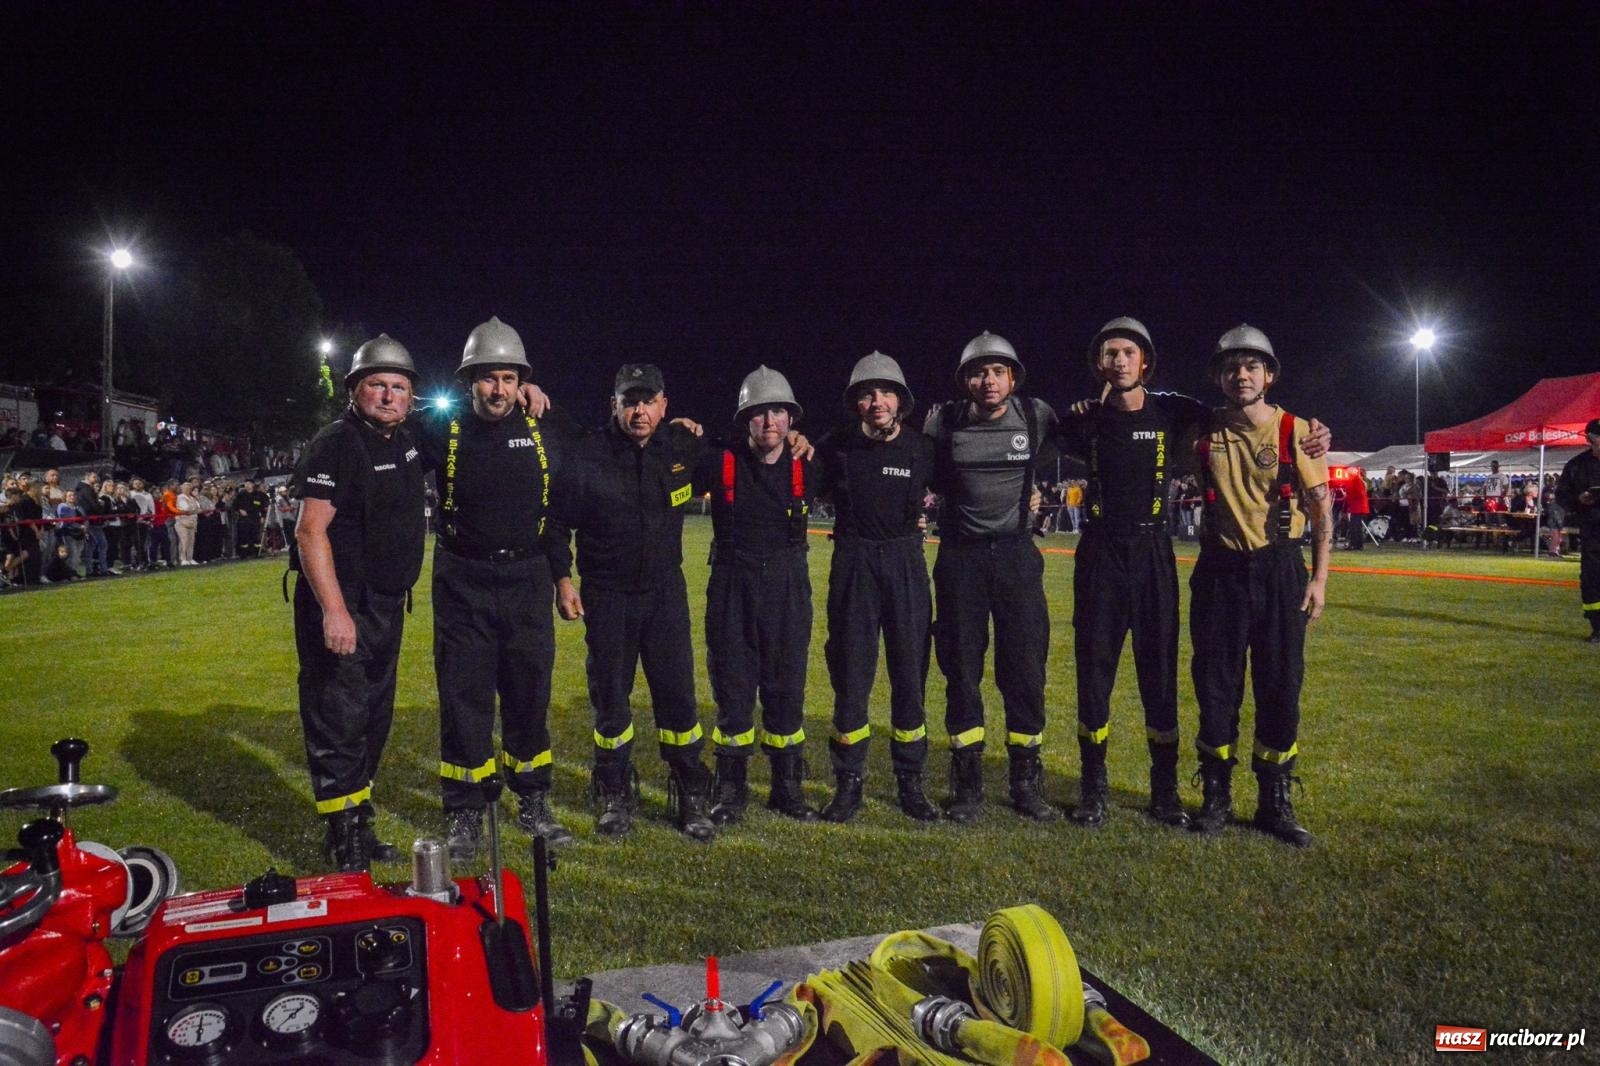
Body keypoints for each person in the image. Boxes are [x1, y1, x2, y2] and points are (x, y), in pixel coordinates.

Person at [1058, 318, 1331, 830]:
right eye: (1110, 353)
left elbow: (1270, 438)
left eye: (1129, 353)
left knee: (1165, 678)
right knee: (1097, 675)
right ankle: (1095, 787)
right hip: (1102, 555)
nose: (1119, 361)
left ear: (1146, 363)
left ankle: (1176, 793)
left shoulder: (1180, 413)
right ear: (1099, 364)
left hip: (1159, 553)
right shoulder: (1082, 420)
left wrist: (1319, 434)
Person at [418, 317, 573, 859]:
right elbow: (381, 429)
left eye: (509, 378)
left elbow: (555, 512)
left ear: (521, 382)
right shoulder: (441, 428)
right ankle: (464, 812)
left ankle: (533, 801)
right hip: (462, 580)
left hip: (528, 579)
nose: (499, 390)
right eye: (489, 378)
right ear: (469, 382)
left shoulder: (543, 426)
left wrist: (562, 574)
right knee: (464, 696)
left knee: (530, 694)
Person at [547, 363, 717, 841]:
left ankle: (690, 791)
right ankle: (614, 791)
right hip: (607, 597)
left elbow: (740, 458)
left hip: (666, 593)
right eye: (629, 401)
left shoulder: (682, 445)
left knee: (679, 699)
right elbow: (557, 523)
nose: (638, 411)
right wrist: (563, 579)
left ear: (665, 405)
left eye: (648, 401)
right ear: (614, 405)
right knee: (611, 702)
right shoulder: (586, 454)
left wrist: (796, 441)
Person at [1189, 324, 1332, 848]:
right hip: (1219, 573)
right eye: (1231, 367)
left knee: (1280, 687)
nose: (1241, 374)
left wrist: (1319, 579)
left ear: (1268, 375)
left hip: (1279, 570)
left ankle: (1274, 802)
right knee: (1215, 686)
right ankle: (1215, 799)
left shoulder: (1297, 430)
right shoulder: (1201, 429)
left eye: (1251, 366)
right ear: (1219, 377)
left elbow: (1321, 508)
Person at [291, 333, 427, 872]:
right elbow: (309, 532)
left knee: (372, 716)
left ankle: (359, 823)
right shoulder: (336, 442)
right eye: (378, 384)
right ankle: (343, 837)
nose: (390, 395)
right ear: (355, 388)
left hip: (387, 604)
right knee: (338, 718)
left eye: (399, 386)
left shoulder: (408, 439)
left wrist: (527, 390)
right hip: (345, 605)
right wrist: (335, 609)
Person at [922, 331, 1057, 823]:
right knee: (960, 667)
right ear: (965, 381)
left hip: (1018, 556)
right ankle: (968, 783)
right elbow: (922, 470)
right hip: (961, 557)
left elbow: (1094, 441)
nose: (989, 380)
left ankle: (1025, 781)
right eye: (979, 372)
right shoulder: (944, 421)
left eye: (998, 371)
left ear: (1013, 377)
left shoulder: (1037, 415)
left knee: (1024, 668)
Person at [813, 352, 940, 822]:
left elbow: (967, 481)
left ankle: (911, 782)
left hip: (906, 563)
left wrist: (1028, 488)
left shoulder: (923, 449)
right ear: (856, 402)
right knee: (851, 679)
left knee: (910, 678)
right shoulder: (834, 447)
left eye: (886, 392)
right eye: (868, 393)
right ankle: (848, 784)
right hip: (854, 565)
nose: (877, 401)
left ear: (901, 401)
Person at [698, 366, 822, 824]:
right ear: (743, 419)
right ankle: (731, 788)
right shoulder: (717, 460)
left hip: (788, 587)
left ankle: (786, 787)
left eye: (778, 412)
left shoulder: (810, 464)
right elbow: (660, 456)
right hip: (732, 586)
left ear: (791, 420)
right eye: (758, 413)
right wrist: (681, 427)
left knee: (786, 687)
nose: (769, 422)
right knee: (732, 686)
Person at [1554, 419, 1600, 642]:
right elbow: (1562, 497)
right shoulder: (1576, 466)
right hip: (1592, 532)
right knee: (1592, 580)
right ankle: (1598, 628)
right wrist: (1579, 499)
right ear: (1589, 438)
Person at [234, 478, 270, 558]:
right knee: (244, 536)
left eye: (249, 484)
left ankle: (257, 553)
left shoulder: (259, 494)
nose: (247, 485)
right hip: (244, 519)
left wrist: (263, 516)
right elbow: (235, 505)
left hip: (255, 517)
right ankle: (244, 554)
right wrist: (240, 510)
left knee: (255, 536)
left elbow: (264, 506)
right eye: (246, 484)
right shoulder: (241, 495)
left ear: (253, 485)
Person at [1344, 467, 1370, 550]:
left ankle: (1354, 544)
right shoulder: (1359, 481)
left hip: (1357, 507)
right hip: (1359, 507)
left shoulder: (1355, 481)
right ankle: (1358, 544)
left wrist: (1347, 497)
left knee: (1354, 527)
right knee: (1357, 527)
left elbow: (1357, 494)